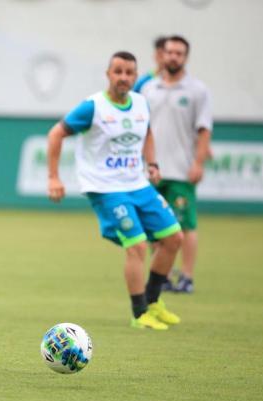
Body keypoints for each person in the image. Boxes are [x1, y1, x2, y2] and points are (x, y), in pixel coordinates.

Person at [47, 51, 184, 330]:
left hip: (138, 184)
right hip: (106, 188)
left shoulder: (141, 103)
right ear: (108, 74)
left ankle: (154, 301)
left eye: (129, 73)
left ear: (135, 76)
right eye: (118, 71)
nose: (124, 77)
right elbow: (56, 133)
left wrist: (153, 163)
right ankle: (139, 313)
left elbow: (146, 133)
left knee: (173, 238)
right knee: (137, 246)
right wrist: (53, 177)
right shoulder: (92, 107)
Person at [141, 36, 212, 294]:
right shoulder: (149, 89)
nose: (173, 57)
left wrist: (198, 162)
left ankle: (187, 277)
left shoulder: (197, 90)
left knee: (185, 225)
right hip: (152, 171)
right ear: (162, 55)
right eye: (169, 52)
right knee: (155, 226)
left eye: (179, 53)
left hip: (182, 170)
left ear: (185, 57)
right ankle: (164, 277)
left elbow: (204, 130)